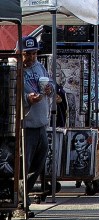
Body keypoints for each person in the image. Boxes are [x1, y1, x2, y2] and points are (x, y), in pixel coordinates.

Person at [21, 36, 54, 203]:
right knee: (24, 164)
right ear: (20, 53)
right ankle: (20, 196)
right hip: (26, 125)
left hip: (41, 123)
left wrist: (50, 89)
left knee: (39, 162)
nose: (32, 57)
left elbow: (52, 83)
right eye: (28, 54)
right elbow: (11, 94)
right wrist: (28, 98)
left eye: (34, 53)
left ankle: (23, 193)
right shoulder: (16, 69)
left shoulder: (39, 66)